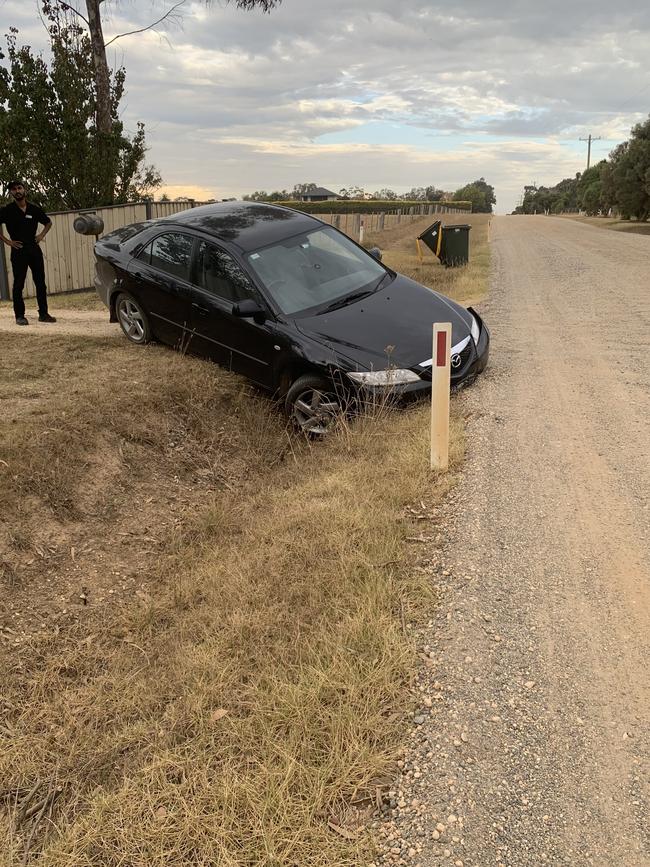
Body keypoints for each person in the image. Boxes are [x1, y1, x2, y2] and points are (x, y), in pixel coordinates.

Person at [0, 181, 56, 325]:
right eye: (14, 189)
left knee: (40, 283)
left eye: (19, 188)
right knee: (18, 284)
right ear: (11, 193)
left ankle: (43, 314)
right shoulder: (7, 210)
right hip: (18, 250)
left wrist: (41, 235)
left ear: (24, 190)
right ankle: (19, 316)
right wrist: (8, 241)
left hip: (34, 249)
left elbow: (48, 222)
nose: (17, 191)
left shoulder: (34, 209)